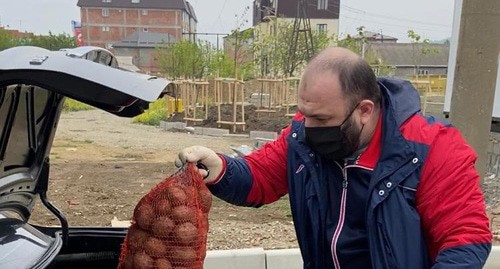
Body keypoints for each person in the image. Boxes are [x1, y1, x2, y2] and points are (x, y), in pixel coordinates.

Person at [176, 47, 492, 268]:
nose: (307, 127)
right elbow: (260, 177)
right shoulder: (303, 137)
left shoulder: (432, 149)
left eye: (323, 120)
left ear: (364, 111)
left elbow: (465, 238)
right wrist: (219, 169)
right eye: (305, 114)